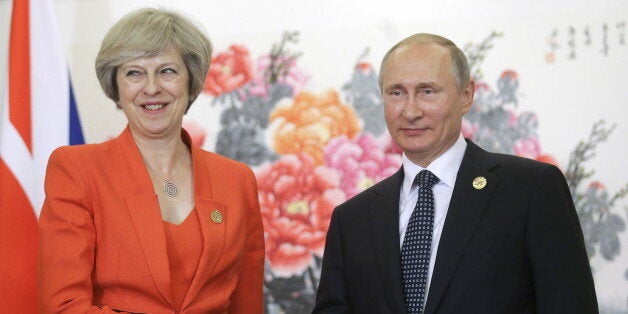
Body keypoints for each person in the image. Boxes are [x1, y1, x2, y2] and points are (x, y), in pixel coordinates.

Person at [313, 33, 597, 313]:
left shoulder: (531, 190)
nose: (410, 111)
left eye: (427, 91)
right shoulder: (351, 220)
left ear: (466, 95)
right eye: (396, 92)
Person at [38, 8, 264, 313]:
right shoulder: (77, 170)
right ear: (116, 85)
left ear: (191, 80)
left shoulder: (236, 179)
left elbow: (247, 304)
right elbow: (64, 306)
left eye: (167, 70)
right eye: (134, 72)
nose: (152, 87)